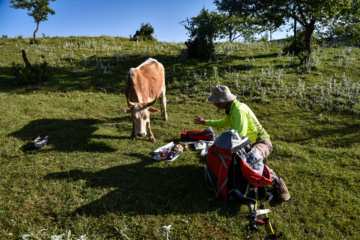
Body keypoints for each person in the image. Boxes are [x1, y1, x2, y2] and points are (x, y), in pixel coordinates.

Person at [194, 85, 290, 202]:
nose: (214, 104)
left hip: (261, 143)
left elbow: (239, 138)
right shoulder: (230, 109)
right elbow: (224, 123)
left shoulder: (238, 110)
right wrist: (205, 122)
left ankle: (277, 181)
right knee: (238, 161)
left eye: (215, 101)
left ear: (223, 101)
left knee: (248, 160)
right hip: (247, 143)